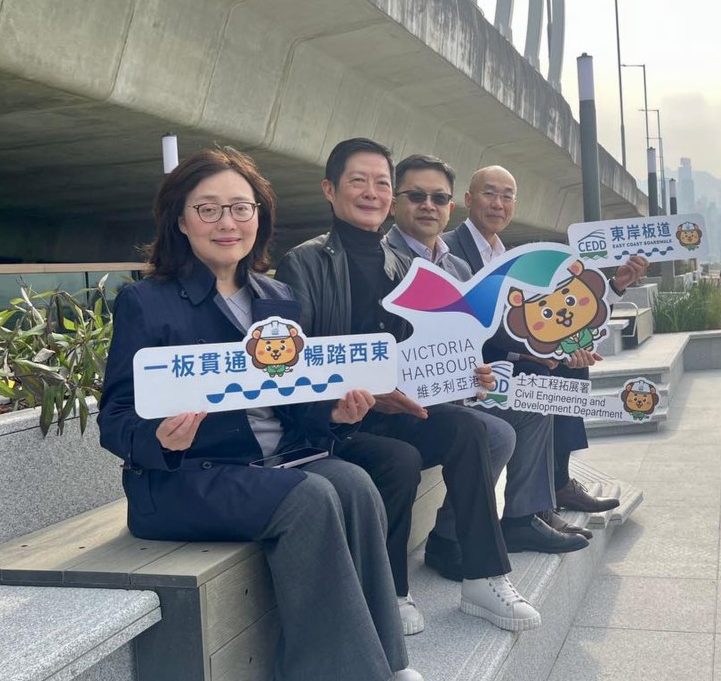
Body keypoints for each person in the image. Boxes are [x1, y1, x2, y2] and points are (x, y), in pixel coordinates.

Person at [98, 148, 421, 681]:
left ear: (259, 218)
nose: (228, 223)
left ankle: (389, 663)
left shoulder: (279, 299)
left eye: (241, 209)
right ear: (180, 220)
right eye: (208, 210)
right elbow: (115, 417)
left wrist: (335, 413)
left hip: (278, 464)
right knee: (314, 497)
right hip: (186, 479)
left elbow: (295, 404)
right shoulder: (146, 302)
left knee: (355, 484)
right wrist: (160, 438)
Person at [275, 138, 541, 633]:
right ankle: (392, 590)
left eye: (380, 182)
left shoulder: (403, 267)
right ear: (330, 190)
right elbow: (293, 365)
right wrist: (354, 396)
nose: (371, 192)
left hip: (393, 410)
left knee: (469, 428)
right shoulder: (303, 264)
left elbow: (418, 354)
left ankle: (485, 576)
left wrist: (466, 374)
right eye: (359, 181)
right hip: (331, 423)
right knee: (400, 460)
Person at [385, 154, 589, 575]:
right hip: (403, 399)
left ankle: (523, 515)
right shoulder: (381, 258)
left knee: (535, 399)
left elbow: (482, 330)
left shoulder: (460, 263)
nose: (429, 205)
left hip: (465, 383)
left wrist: (536, 350)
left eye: (437, 198)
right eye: (417, 196)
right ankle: (449, 536)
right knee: (495, 424)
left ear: (449, 205)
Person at [443, 166, 650, 517]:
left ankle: (558, 482)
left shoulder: (510, 257)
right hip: (474, 371)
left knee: (571, 369)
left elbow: (548, 317)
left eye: (507, 196)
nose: (498, 203)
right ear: (467, 200)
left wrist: (614, 288)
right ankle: (538, 502)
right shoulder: (449, 251)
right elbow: (466, 332)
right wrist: (529, 354)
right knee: (545, 378)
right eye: (489, 193)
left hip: (512, 359)